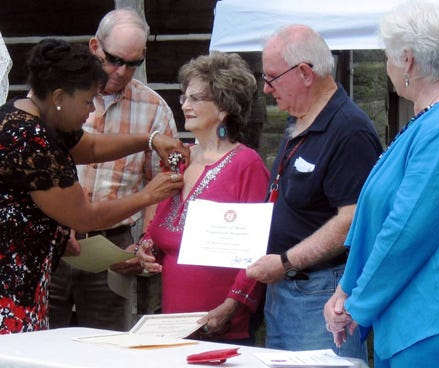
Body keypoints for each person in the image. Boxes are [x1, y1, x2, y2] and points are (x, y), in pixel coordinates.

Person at [324, 2, 439, 367]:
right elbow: (380, 217)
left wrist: (358, 300)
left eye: (387, 57)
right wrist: (348, 286)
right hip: (419, 316)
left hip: (438, 321)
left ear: (408, 61)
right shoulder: (435, 118)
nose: (387, 67)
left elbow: (406, 230)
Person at [0, 38, 188, 334]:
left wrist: (149, 140)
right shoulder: (33, 141)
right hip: (11, 288)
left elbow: (91, 146)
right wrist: (148, 195)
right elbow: (84, 216)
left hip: (23, 278)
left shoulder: (25, 113)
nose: (90, 112)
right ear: (60, 96)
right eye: (88, 101)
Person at [245, 25, 382, 358]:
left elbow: (351, 220)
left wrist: (286, 261)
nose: (265, 88)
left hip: (319, 292)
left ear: (305, 73)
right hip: (290, 288)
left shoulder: (349, 129)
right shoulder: (300, 120)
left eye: (272, 77)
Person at [48, 8, 178, 332]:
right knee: (39, 343)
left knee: (104, 348)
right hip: (54, 237)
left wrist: (144, 243)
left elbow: (162, 187)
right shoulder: (58, 99)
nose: (120, 71)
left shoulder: (155, 108)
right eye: (114, 59)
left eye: (132, 63)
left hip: (113, 246)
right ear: (95, 46)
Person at [136, 51, 270, 345]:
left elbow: (257, 250)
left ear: (223, 107)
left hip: (222, 322)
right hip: (174, 322)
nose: (185, 104)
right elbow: (160, 229)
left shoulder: (246, 164)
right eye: (184, 96)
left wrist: (233, 305)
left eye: (196, 99)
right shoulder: (179, 159)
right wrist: (147, 248)